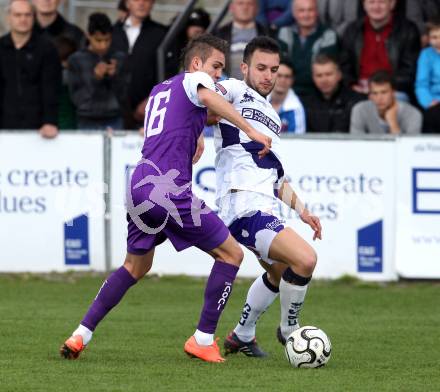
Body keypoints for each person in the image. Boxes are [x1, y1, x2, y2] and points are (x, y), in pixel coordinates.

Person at [59, 34, 272, 364]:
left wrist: (198, 130)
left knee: (135, 266)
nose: (218, 75)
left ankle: (80, 334)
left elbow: (187, 114)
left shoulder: (161, 90)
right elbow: (207, 97)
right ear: (197, 63)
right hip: (168, 189)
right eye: (216, 67)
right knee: (231, 254)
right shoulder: (197, 79)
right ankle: (203, 338)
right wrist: (252, 130)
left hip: (139, 183)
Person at [212, 36, 322, 357]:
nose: (268, 76)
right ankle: (290, 330)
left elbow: (274, 175)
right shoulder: (234, 90)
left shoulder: (273, 116)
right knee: (305, 259)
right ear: (245, 67)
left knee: (278, 273)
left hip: (265, 203)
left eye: (274, 69)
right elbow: (203, 96)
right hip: (242, 204)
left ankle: (242, 334)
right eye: (260, 67)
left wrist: (302, 211)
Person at [0, 0, 61, 137]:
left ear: (34, 17)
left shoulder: (47, 49)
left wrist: (50, 121)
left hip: (39, 130)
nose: (23, 19)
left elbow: (51, 88)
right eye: (18, 15)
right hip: (4, 127)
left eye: (28, 15)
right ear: (8, 17)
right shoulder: (1, 48)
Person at [340, 0, 420, 100]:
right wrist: (352, 85)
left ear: (392, 4)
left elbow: (409, 71)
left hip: (393, 90)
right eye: (371, 2)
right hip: (360, 89)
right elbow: (344, 66)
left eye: (381, 2)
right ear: (364, 5)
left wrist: (383, 88)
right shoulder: (352, 30)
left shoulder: (408, 30)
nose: (376, 7)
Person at [111, 0, 168, 129]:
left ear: (153, 3)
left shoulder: (162, 34)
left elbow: (170, 74)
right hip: (112, 114)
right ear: (126, 3)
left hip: (149, 115)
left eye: (147, 0)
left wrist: (153, 101)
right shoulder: (111, 33)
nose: (142, 3)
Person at [67, 13, 127, 130]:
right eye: (98, 40)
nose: (103, 45)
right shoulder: (76, 60)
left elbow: (125, 94)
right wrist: (95, 78)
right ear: (88, 36)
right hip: (86, 119)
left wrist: (114, 77)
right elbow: (76, 97)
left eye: (107, 40)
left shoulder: (119, 58)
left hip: (114, 118)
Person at [278, 0, 339, 98]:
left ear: (317, 12)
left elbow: (322, 69)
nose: (306, 15)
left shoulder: (328, 35)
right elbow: (280, 65)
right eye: (301, 10)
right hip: (287, 92)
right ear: (294, 13)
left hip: (317, 94)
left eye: (310, 10)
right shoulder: (284, 33)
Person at [301, 53, 365, 133]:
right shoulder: (304, 104)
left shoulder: (356, 101)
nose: (324, 80)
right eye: (319, 75)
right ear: (313, 78)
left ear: (339, 75)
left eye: (328, 74)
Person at [350, 70, 422, 134]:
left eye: (384, 92)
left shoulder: (412, 114)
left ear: (393, 93)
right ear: (370, 96)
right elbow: (356, 145)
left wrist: (393, 124)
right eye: (375, 93)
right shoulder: (360, 110)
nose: (379, 98)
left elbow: (408, 148)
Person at [214, 0, 267, 79]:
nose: (245, 7)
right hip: (226, 87)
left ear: (257, 8)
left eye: (250, 4)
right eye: (240, 3)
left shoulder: (267, 34)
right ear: (231, 7)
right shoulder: (219, 34)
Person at [415, 17, 440, 133]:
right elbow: (421, 84)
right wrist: (429, 101)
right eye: (434, 37)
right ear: (428, 39)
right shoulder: (426, 55)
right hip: (434, 102)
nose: (438, 41)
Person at [269, 60, 306, 133]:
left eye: (287, 77)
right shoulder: (258, 101)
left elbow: (298, 141)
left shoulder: (296, 109)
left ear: (292, 80)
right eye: (279, 75)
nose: (283, 80)